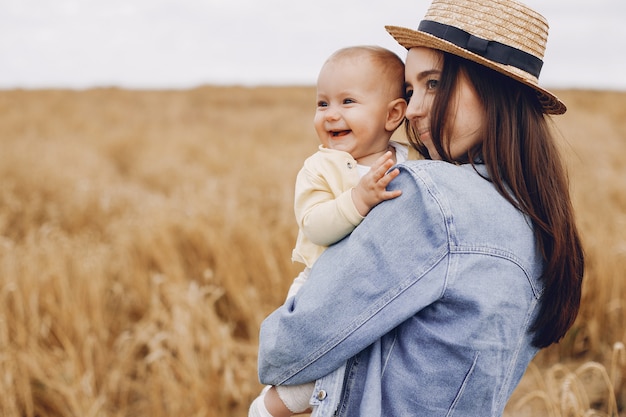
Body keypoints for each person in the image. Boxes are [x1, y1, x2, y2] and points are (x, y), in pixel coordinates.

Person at [256, 0, 585, 416]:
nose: (410, 110)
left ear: (493, 88)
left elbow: (285, 350)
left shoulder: (431, 197)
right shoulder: (538, 219)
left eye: (434, 84)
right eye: (410, 90)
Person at [249, 45, 409, 417]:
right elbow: (315, 224)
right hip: (322, 290)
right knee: (305, 379)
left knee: (355, 377)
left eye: (347, 101)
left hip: (377, 290)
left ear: (393, 114)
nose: (331, 115)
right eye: (322, 104)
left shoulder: (408, 161)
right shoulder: (320, 168)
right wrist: (357, 199)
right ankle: (265, 411)